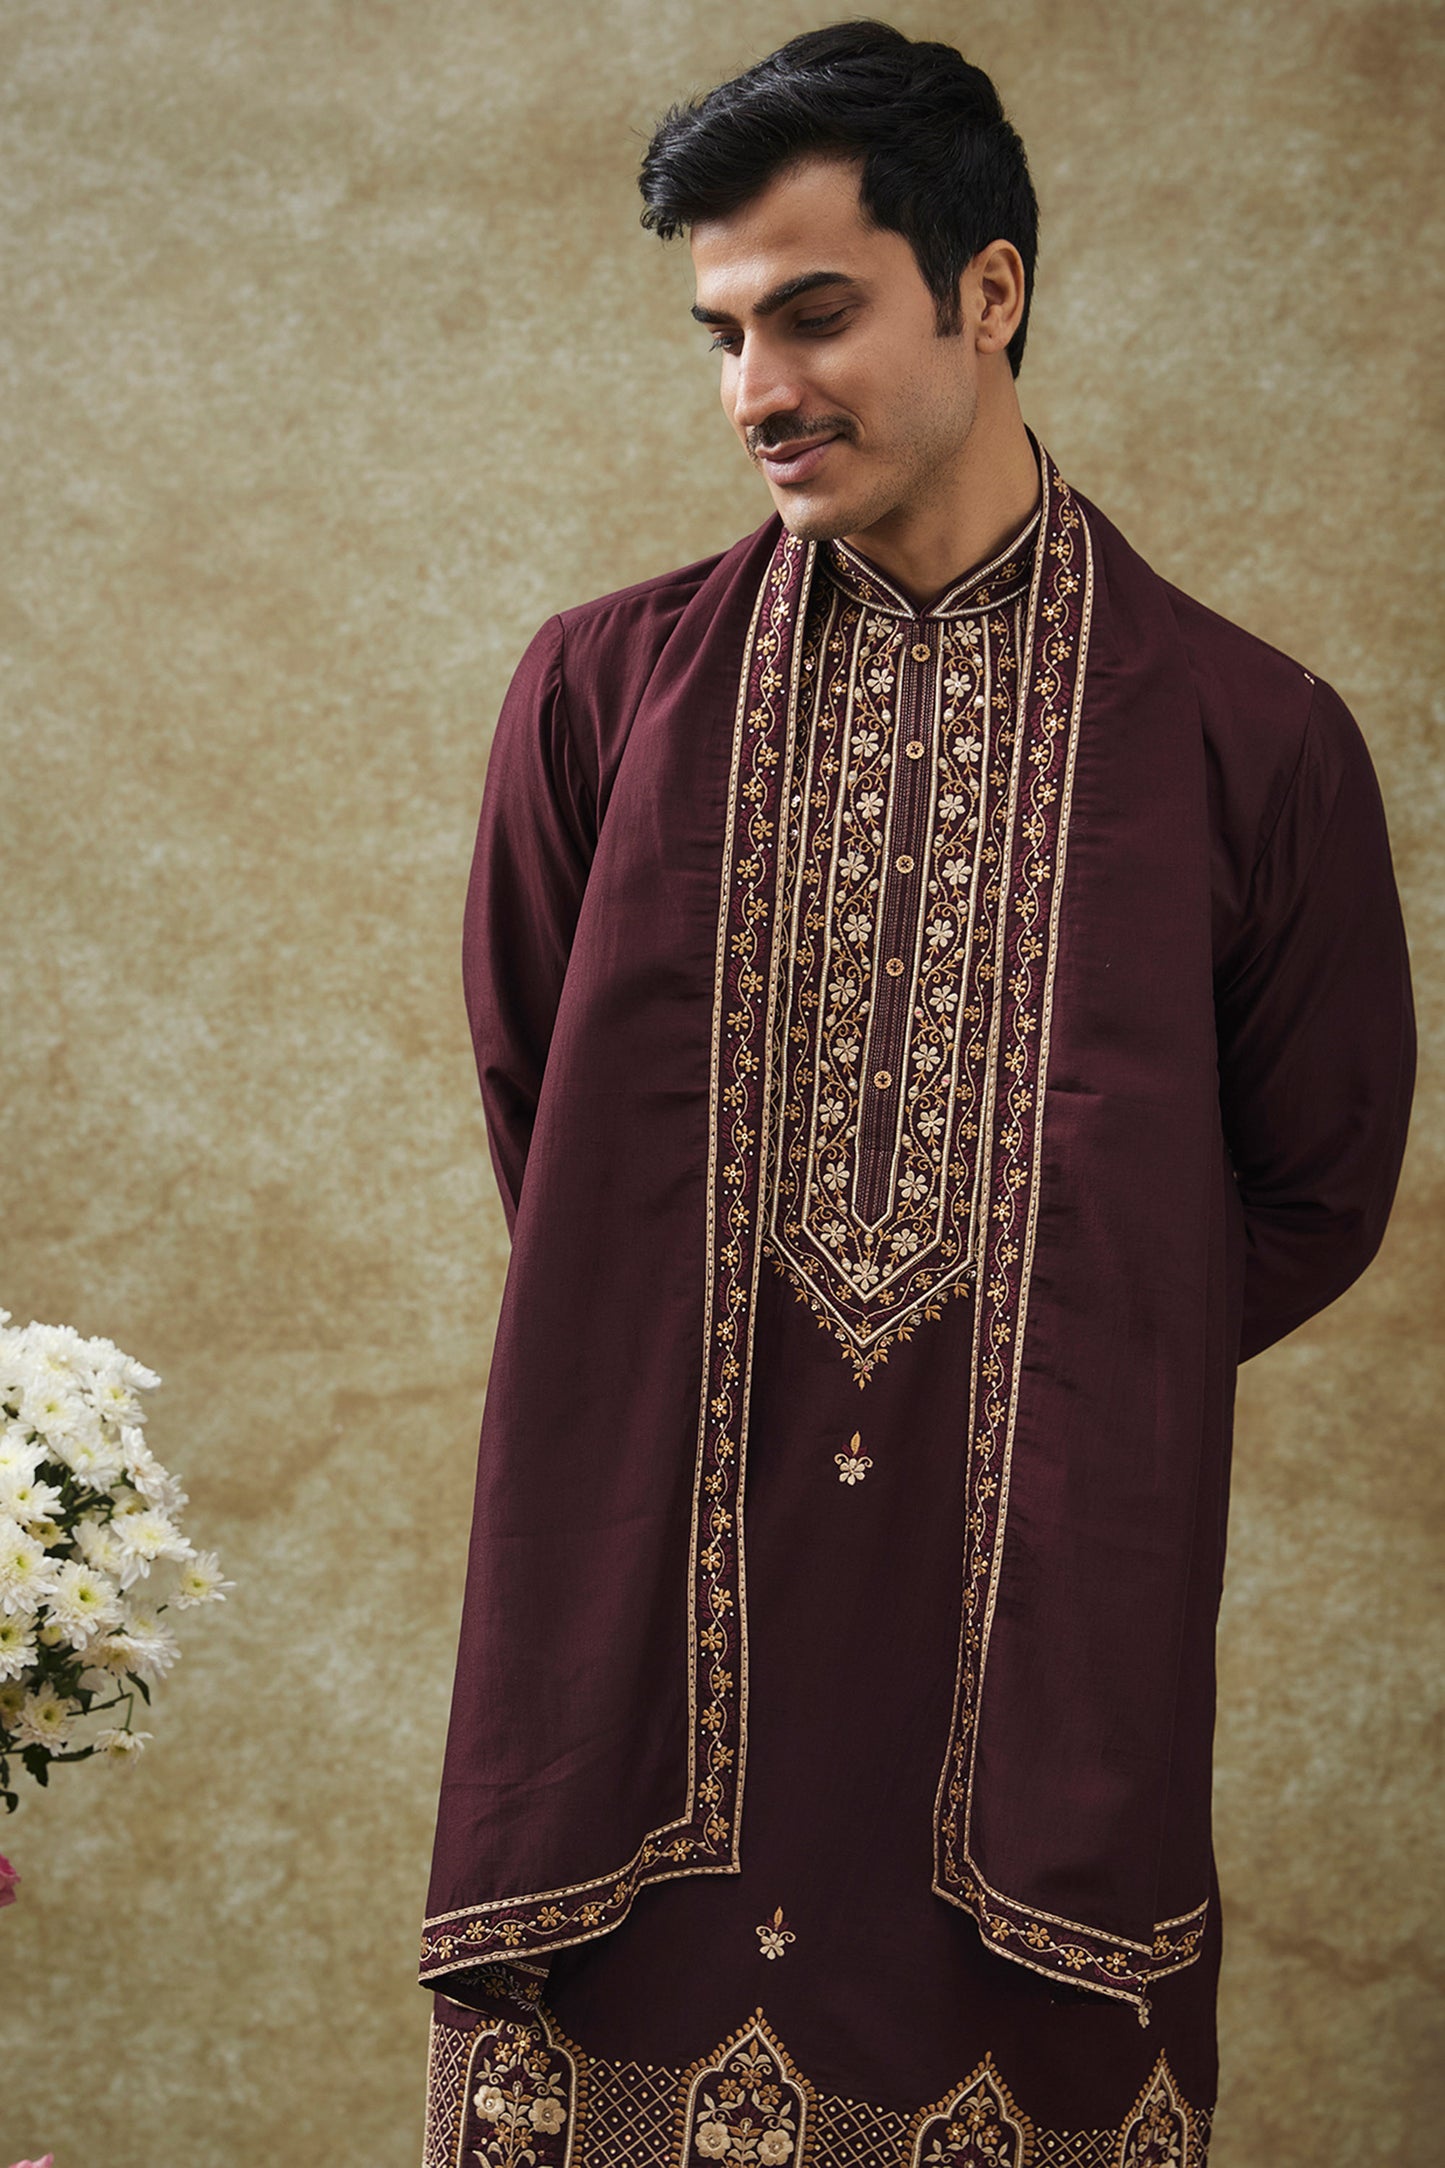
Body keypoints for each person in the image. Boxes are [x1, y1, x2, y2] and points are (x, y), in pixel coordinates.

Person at [419, 23, 1415, 2166]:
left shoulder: (1253, 742)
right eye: (722, 335)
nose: (755, 388)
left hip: (1040, 1630)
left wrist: (1062, 1357)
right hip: (662, 1629)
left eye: (813, 314)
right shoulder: (600, 698)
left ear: (988, 290)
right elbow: (545, 1116)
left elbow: (1315, 1184)